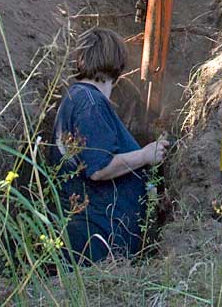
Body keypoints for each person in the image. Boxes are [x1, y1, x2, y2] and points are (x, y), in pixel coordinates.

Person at [50, 27, 169, 264]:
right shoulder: (90, 103)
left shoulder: (79, 99)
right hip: (97, 243)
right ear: (116, 64)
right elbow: (99, 168)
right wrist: (146, 155)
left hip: (94, 241)